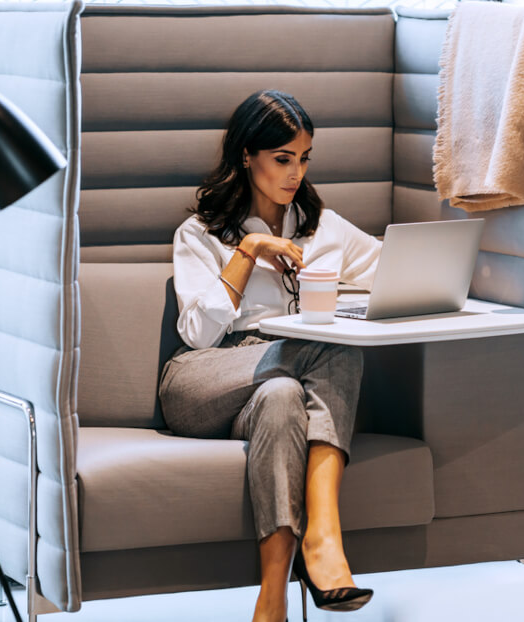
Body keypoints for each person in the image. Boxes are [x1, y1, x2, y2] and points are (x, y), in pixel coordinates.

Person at [159, 90, 381, 622]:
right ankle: (322, 536)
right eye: (283, 159)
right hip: (204, 380)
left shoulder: (322, 227)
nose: (295, 174)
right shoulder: (201, 232)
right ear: (246, 156)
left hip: (276, 387)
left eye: (303, 159)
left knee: (284, 394)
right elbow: (197, 334)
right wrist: (249, 251)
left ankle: (273, 598)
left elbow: (391, 271)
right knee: (321, 344)